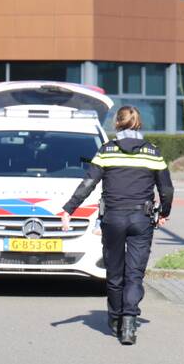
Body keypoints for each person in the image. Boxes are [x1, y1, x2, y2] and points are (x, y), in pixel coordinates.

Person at [60, 106, 173, 345]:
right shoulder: (153, 152)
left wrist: (69, 209)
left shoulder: (106, 151)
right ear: (138, 124)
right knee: (134, 274)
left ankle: (115, 319)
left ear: (117, 124)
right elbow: (166, 188)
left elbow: (88, 182)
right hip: (141, 220)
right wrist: (164, 211)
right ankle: (130, 322)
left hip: (113, 219)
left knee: (114, 272)